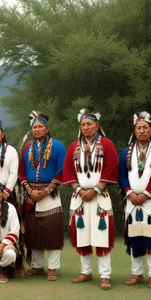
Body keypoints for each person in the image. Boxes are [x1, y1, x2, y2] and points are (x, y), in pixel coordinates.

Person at [63, 108, 118, 290]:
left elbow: (110, 168)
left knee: (101, 237)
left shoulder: (107, 144)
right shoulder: (73, 146)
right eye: (83, 124)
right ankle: (86, 272)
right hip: (79, 198)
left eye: (89, 124)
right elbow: (68, 171)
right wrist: (79, 190)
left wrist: (95, 189)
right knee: (82, 236)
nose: (86, 127)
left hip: (99, 197)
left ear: (97, 126)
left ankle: (105, 275)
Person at [19, 111, 66, 281]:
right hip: (30, 194)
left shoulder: (58, 146)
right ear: (32, 130)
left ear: (47, 129)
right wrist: (30, 191)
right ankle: (37, 267)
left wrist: (46, 191)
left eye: (41, 126)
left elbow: (62, 171)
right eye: (35, 127)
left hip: (51, 193)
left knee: (52, 232)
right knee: (33, 233)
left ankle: (52, 268)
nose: (37, 129)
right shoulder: (27, 148)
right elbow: (21, 173)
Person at [118, 111, 151, 288]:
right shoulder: (126, 152)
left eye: (145, 127)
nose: (142, 131)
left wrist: (146, 194)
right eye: (138, 128)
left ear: (150, 130)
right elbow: (122, 175)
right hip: (131, 202)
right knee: (135, 239)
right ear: (134, 131)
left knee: (150, 240)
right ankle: (137, 274)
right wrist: (129, 192)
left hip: (150, 202)